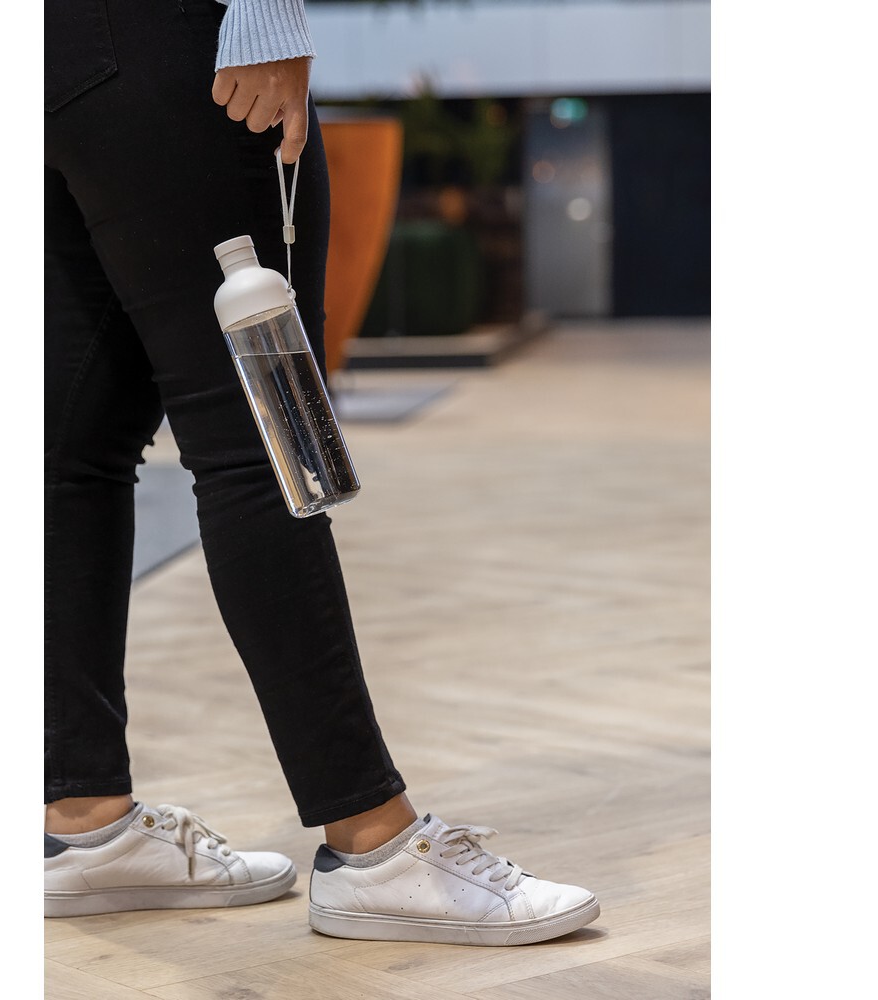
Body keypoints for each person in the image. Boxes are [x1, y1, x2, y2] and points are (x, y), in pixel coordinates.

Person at [44, 0, 599, 946]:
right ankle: (372, 843)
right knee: (262, 436)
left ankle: (82, 821)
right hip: (166, 38)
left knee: (69, 449)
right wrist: (264, 17)